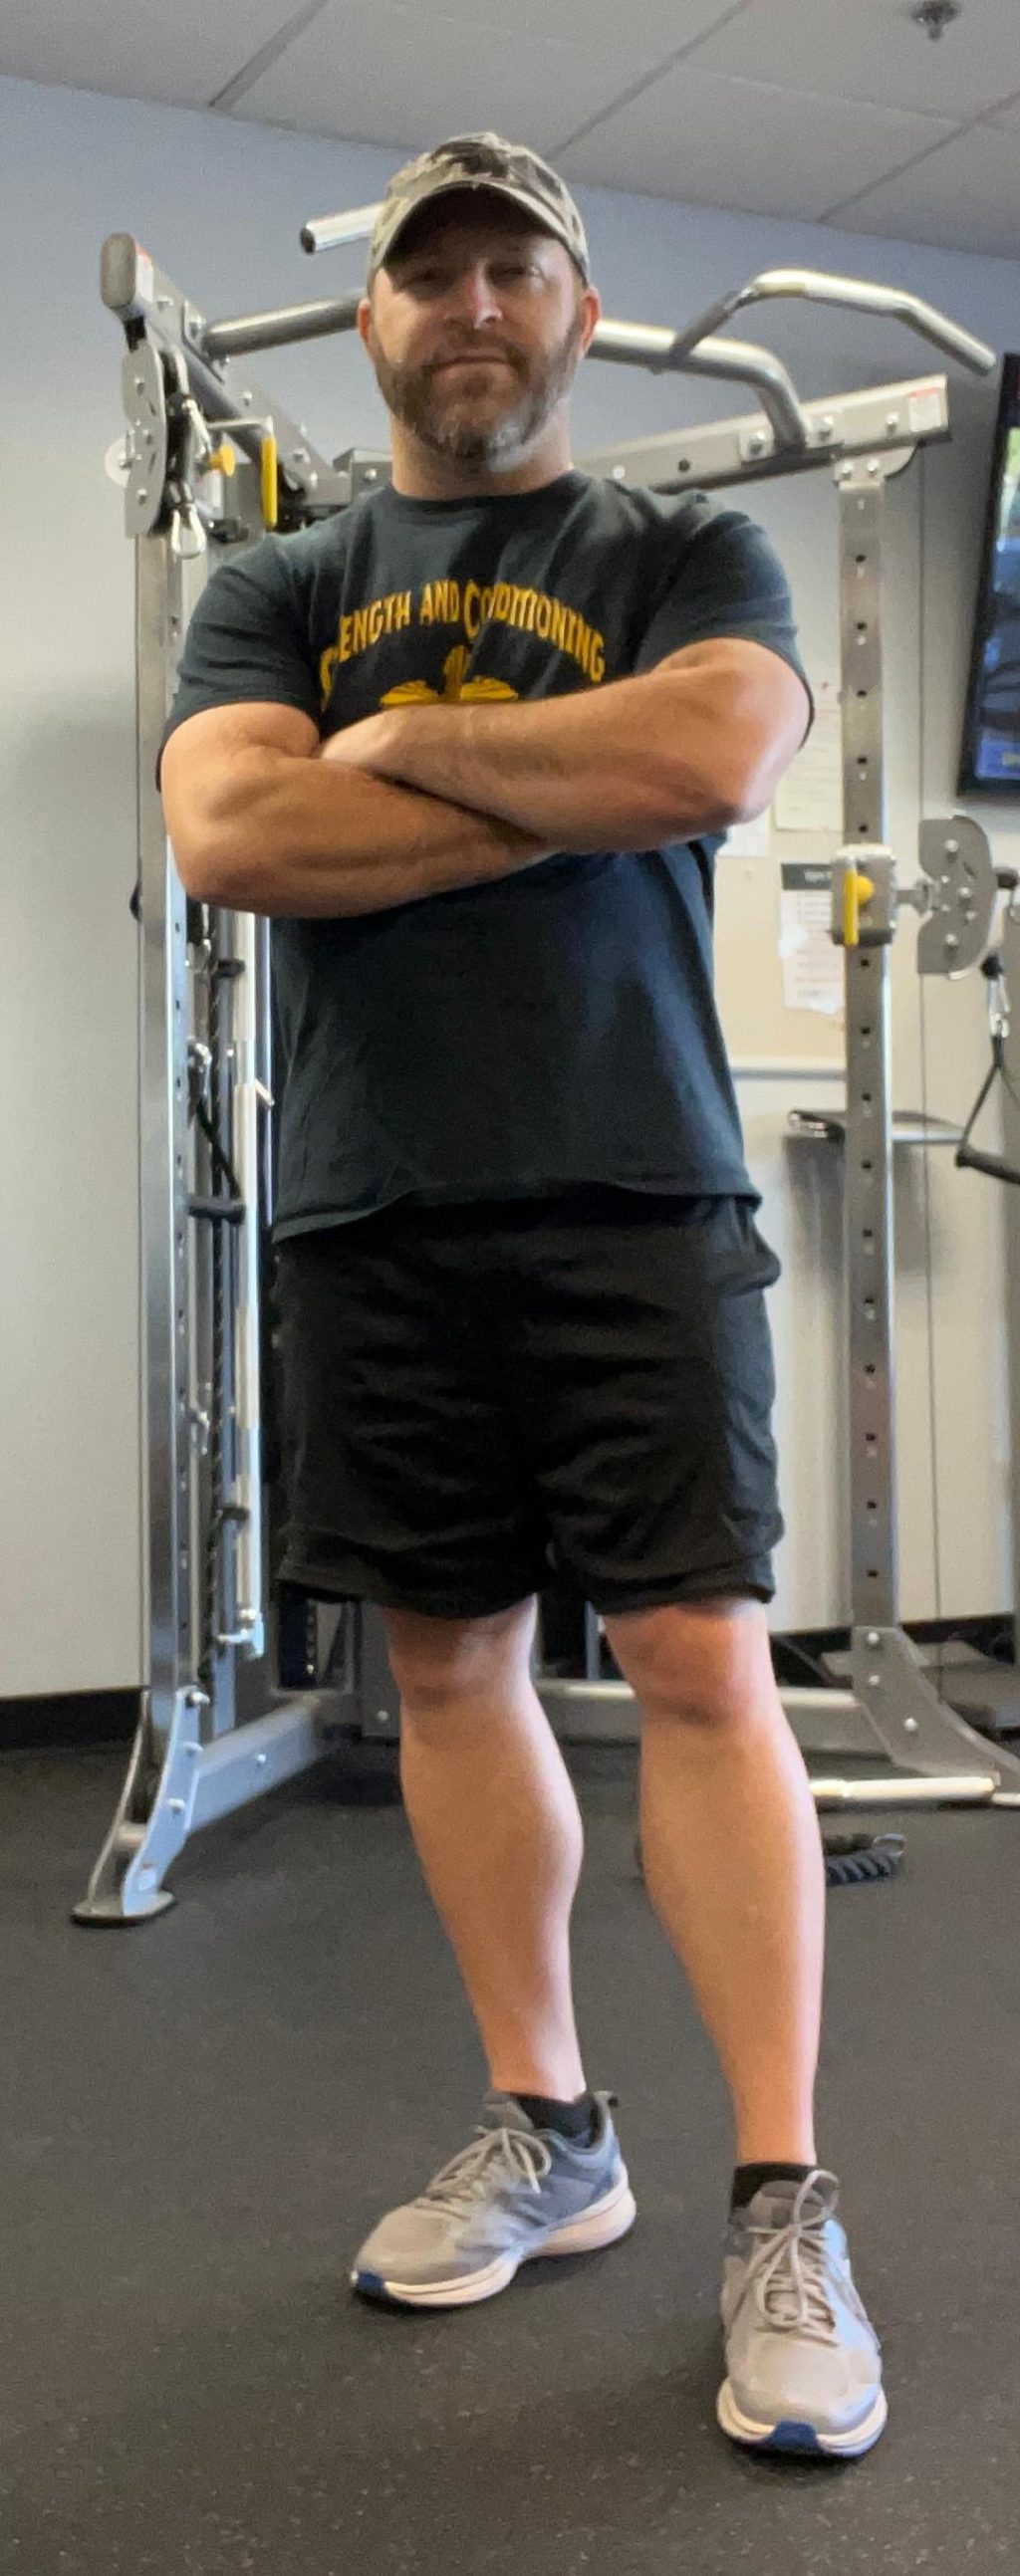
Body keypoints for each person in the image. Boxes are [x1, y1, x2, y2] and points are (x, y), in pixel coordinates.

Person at [158, 131, 886, 2461]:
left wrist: (403, 749)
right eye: (429, 272)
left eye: (512, 268)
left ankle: (778, 2200)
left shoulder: (676, 550)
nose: (469, 303)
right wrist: (558, 783)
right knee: (450, 1672)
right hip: (371, 1208)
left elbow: (713, 744)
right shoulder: (277, 580)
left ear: (574, 312)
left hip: (629, 1184)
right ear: (377, 318)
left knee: (693, 1663)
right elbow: (235, 833)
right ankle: (553, 2128)